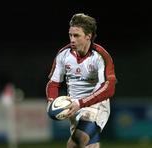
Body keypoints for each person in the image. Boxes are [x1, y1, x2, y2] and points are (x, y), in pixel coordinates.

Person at [46, 13, 117, 148]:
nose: (72, 39)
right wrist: (51, 101)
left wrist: (81, 102)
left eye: (76, 35)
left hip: (95, 104)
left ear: (88, 36)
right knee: (89, 146)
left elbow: (109, 88)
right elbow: (53, 83)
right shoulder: (63, 54)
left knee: (75, 142)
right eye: (70, 35)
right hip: (73, 105)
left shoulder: (100, 56)